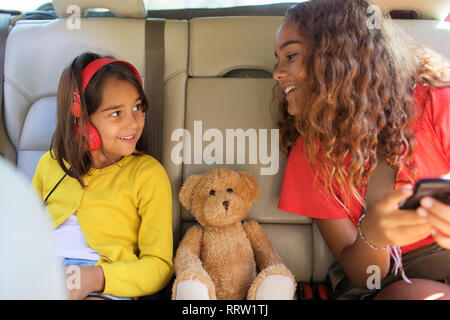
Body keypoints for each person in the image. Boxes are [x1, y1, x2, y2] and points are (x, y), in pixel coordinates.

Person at [274, 0, 450, 300]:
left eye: (290, 55)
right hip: (385, 282)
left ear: (336, 56)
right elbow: (363, 275)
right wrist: (374, 236)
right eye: (277, 59)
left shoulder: (436, 100)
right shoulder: (310, 154)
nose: (277, 72)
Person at [31, 52, 173, 300]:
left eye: (138, 107)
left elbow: (159, 267)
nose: (134, 123)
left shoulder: (147, 174)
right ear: (81, 122)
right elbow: (21, 232)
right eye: (116, 113)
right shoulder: (49, 165)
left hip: (102, 283)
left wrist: (95, 277)